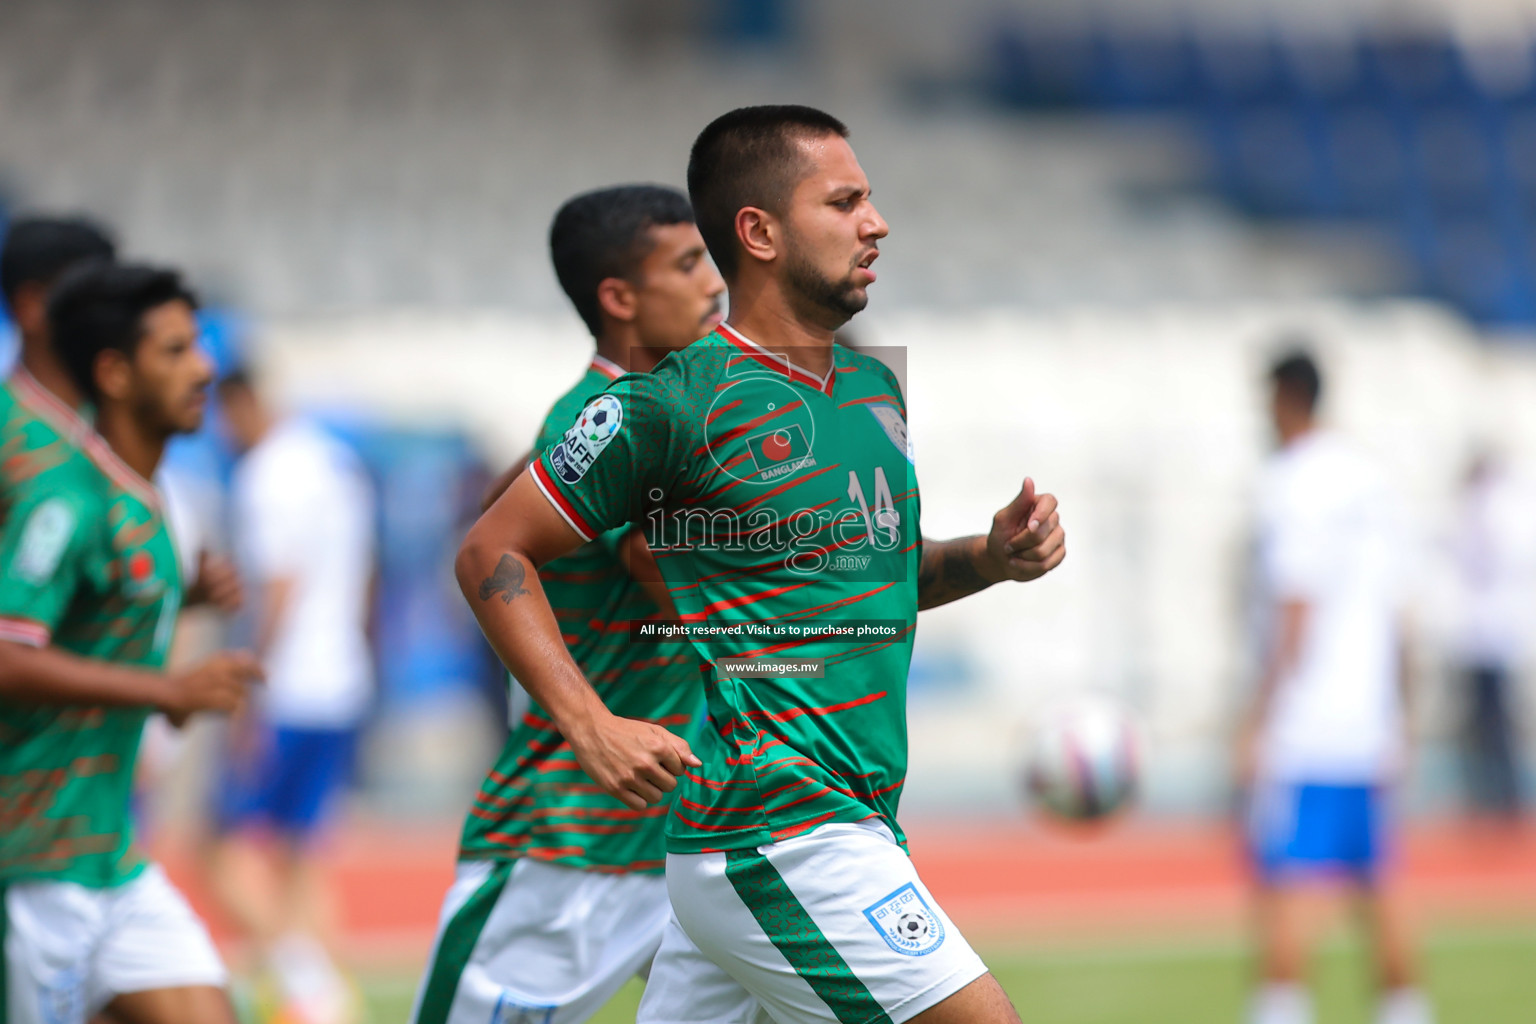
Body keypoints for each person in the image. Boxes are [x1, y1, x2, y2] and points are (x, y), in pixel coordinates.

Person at [455, 105, 1066, 1024]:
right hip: (781, 829)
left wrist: (991, 556)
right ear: (760, 232)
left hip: (835, 821)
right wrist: (590, 723)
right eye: (847, 201)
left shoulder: (870, 387)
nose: (878, 222)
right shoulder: (670, 403)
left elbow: (875, 583)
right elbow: (490, 550)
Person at [410, 184, 725, 1024]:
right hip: (566, 849)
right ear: (620, 298)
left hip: (684, 844)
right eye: (689, 263)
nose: (715, 282)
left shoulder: (647, 419)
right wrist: (589, 724)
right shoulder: (607, 419)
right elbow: (673, 574)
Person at [0, 260, 262, 1024]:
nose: (205, 369)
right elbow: (8, 653)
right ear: (114, 373)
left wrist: (180, 599)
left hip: (108, 860)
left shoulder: (143, 495)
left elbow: (83, 622)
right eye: (176, 352)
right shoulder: (64, 498)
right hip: (33, 861)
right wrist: (168, 691)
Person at [1239, 350, 1431, 1024]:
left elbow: (1296, 603)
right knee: (1380, 887)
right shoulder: (1372, 479)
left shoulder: (1293, 481)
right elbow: (1401, 609)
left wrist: (1258, 719)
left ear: (1287, 396)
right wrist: (1403, 711)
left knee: (1287, 891)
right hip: (1369, 717)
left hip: (1306, 723)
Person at [207, 367, 376, 1024]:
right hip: (344, 678)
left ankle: (309, 988)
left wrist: (249, 689)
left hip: (290, 685)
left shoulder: (267, 474)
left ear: (241, 404)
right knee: (302, 853)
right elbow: (367, 575)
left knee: (218, 848)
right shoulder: (336, 462)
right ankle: (328, 993)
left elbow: (279, 587)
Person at [1449, 452, 1533, 822]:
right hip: (1487, 633)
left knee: (1494, 720)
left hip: (1491, 633)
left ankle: (1502, 797)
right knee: (1489, 720)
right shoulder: (1498, 507)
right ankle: (1496, 795)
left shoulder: (1491, 509)